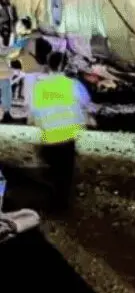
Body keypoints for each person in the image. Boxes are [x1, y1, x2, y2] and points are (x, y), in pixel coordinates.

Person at [29, 67, 91, 211]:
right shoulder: (72, 84)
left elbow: (34, 109)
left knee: (53, 170)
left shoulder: (41, 86)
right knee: (65, 173)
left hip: (51, 135)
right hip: (68, 134)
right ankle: (62, 203)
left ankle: (53, 200)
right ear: (63, 65)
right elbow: (85, 101)